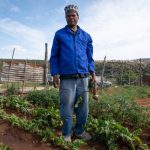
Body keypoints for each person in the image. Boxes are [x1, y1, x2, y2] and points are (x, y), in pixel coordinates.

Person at [49, 4, 96, 142]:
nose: (71, 17)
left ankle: (80, 131)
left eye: (73, 15)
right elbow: (54, 56)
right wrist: (55, 73)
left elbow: (90, 57)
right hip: (67, 78)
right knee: (67, 106)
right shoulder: (59, 34)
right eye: (68, 15)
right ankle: (67, 134)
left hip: (83, 78)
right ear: (65, 17)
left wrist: (93, 75)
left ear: (78, 17)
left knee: (84, 107)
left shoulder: (86, 36)